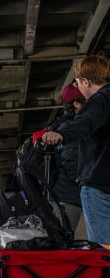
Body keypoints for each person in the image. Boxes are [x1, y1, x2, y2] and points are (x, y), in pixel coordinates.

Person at [41, 55, 110, 245]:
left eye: (78, 83)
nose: (79, 87)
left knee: (104, 249)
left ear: (86, 82)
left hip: (99, 183)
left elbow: (84, 123)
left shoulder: (100, 100)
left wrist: (61, 135)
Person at [47, 81, 85, 235]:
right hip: (66, 195)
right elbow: (72, 159)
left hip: (61, 193)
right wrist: (82, 180)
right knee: (63, 238)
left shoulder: (62, 125)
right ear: (76, 104)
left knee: (62, 238)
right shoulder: (71, 128)